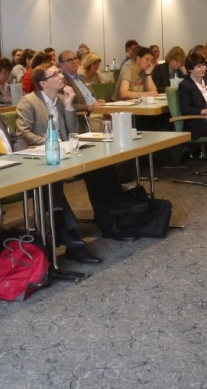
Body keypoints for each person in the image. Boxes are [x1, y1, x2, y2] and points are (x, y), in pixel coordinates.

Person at [14, 66, 134, 260]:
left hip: (66, 151)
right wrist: (51, 142)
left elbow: (73, 131)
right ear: (43, 83)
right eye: (55, 74)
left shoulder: (62, 99)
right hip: (42, 155)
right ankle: (70, 236)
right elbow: (23, 132)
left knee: (99, 167)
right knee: (52, 182)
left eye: (59, 73)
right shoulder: (29, 101)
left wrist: (70, 106)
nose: (61, 76)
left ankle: (110, 221)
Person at [59, 50, 104, 130]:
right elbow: (66, 105)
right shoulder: (62, 82)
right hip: (86, 116)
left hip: (97, 110)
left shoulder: (83, 77)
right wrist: (88, 107)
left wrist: (97, 101)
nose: (74, 62)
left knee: (118, 114)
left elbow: (90, 96)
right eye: (69, 60)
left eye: (75, 58)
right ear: (61, 65)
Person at [177, 53, 207, 139]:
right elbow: (185, 109)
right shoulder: (185, 85)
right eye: (198, 66)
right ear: (190, 69)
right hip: (198, 122)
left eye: (203, 65)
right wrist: (203, 111)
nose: (202, 68)